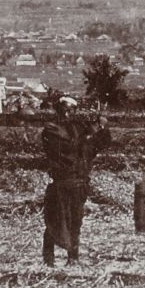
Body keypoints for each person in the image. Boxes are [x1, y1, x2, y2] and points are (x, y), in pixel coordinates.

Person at [40, 93, 113, 266]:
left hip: (79, 181)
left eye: (71, 110)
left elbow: (95, 146)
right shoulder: (51, 128)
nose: (67, 114)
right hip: (62, 181)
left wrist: (103, 127)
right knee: (55, 221)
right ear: (58, 110)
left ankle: (73, 258)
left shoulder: (78, 128)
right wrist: (91, 132)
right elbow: (69, 146)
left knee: (76, 221)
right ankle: (48, 259)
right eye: (64, 110)